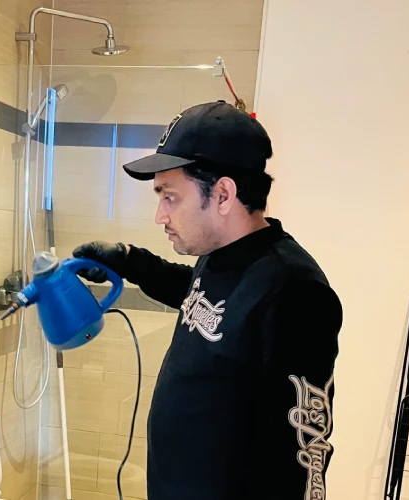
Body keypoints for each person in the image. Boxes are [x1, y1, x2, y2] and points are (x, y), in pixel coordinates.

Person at [73, 101, 343, 499]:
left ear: (222, 194)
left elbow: (304, 449)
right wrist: (128, 260)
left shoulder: (294, 291)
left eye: (169, 197)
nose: (159, 216)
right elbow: (209, 301)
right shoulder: (220, 256)